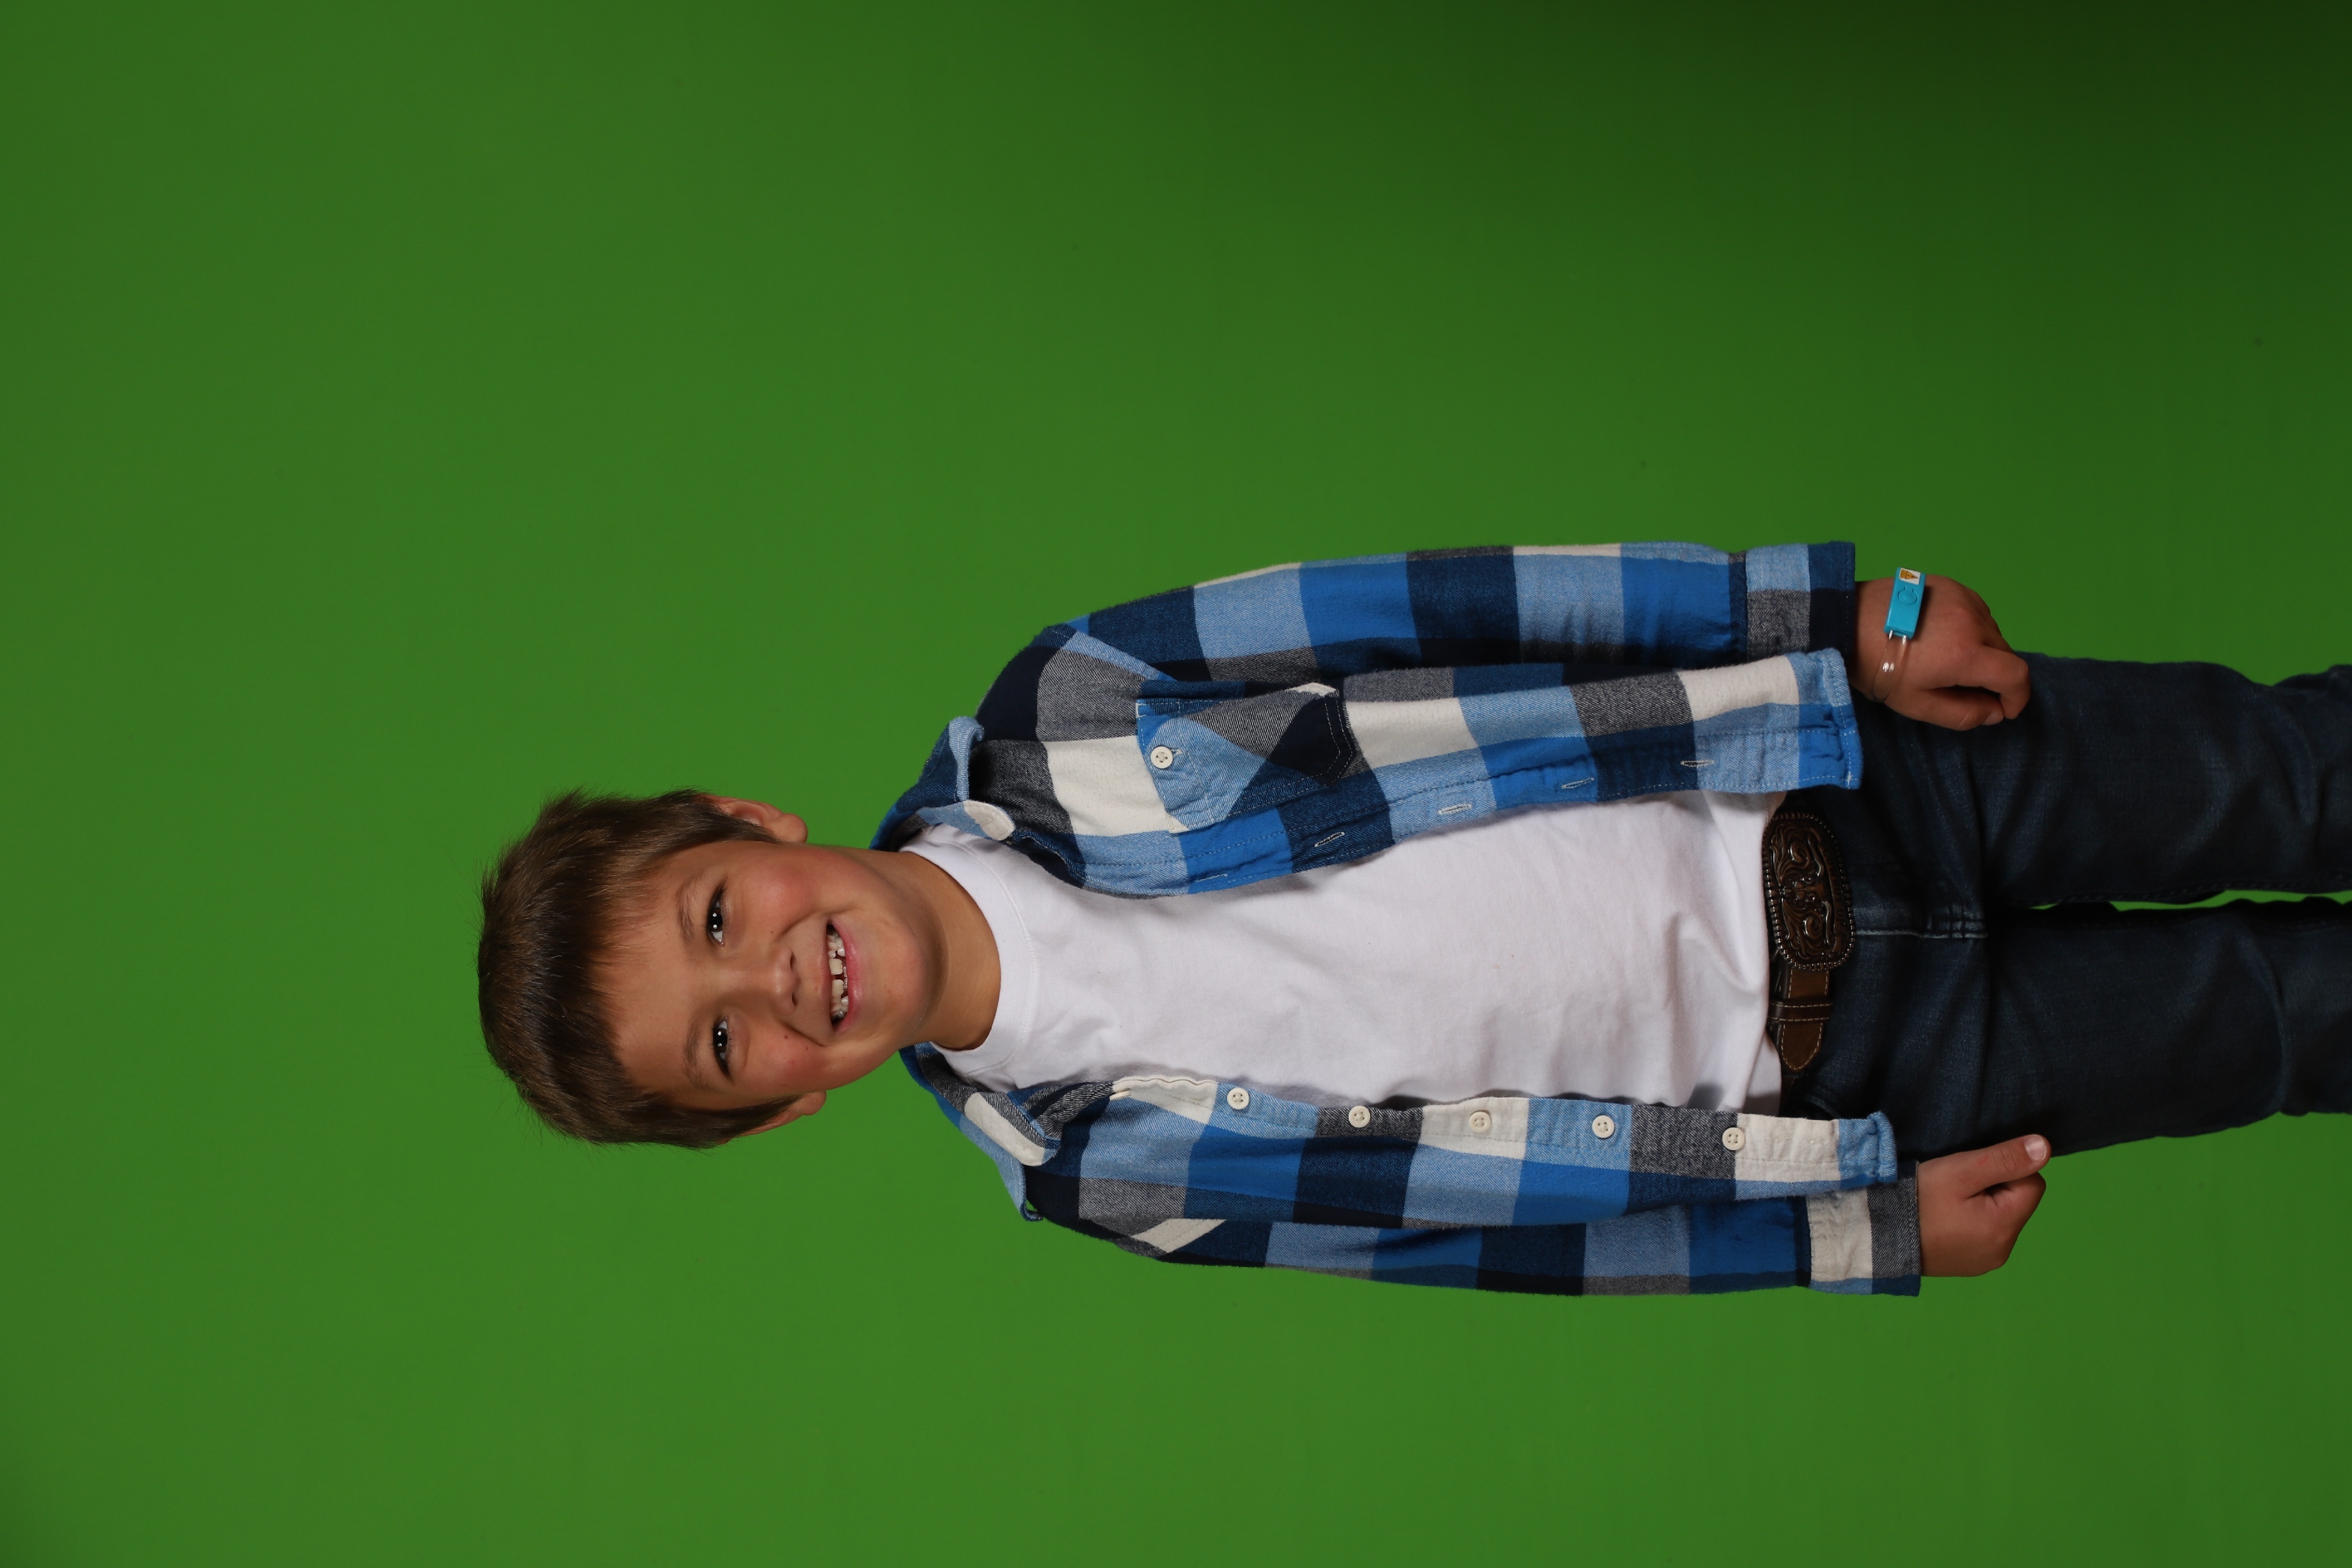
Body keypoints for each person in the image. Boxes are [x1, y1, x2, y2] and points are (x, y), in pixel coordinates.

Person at [476, 543, 2352, 1295]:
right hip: (1876, 1072)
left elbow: (1447, 602)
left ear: (753, 824)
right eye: (726, 1041)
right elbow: (1491, 1240)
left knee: (2290, 771)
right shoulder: (1097, 1176)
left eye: (718, 913)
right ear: (779, 1106)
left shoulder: (1070, 707)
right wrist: (1852, 1234)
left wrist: (1831, 610)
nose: (773, 978)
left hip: (1845, 773)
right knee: (2297, 1021)